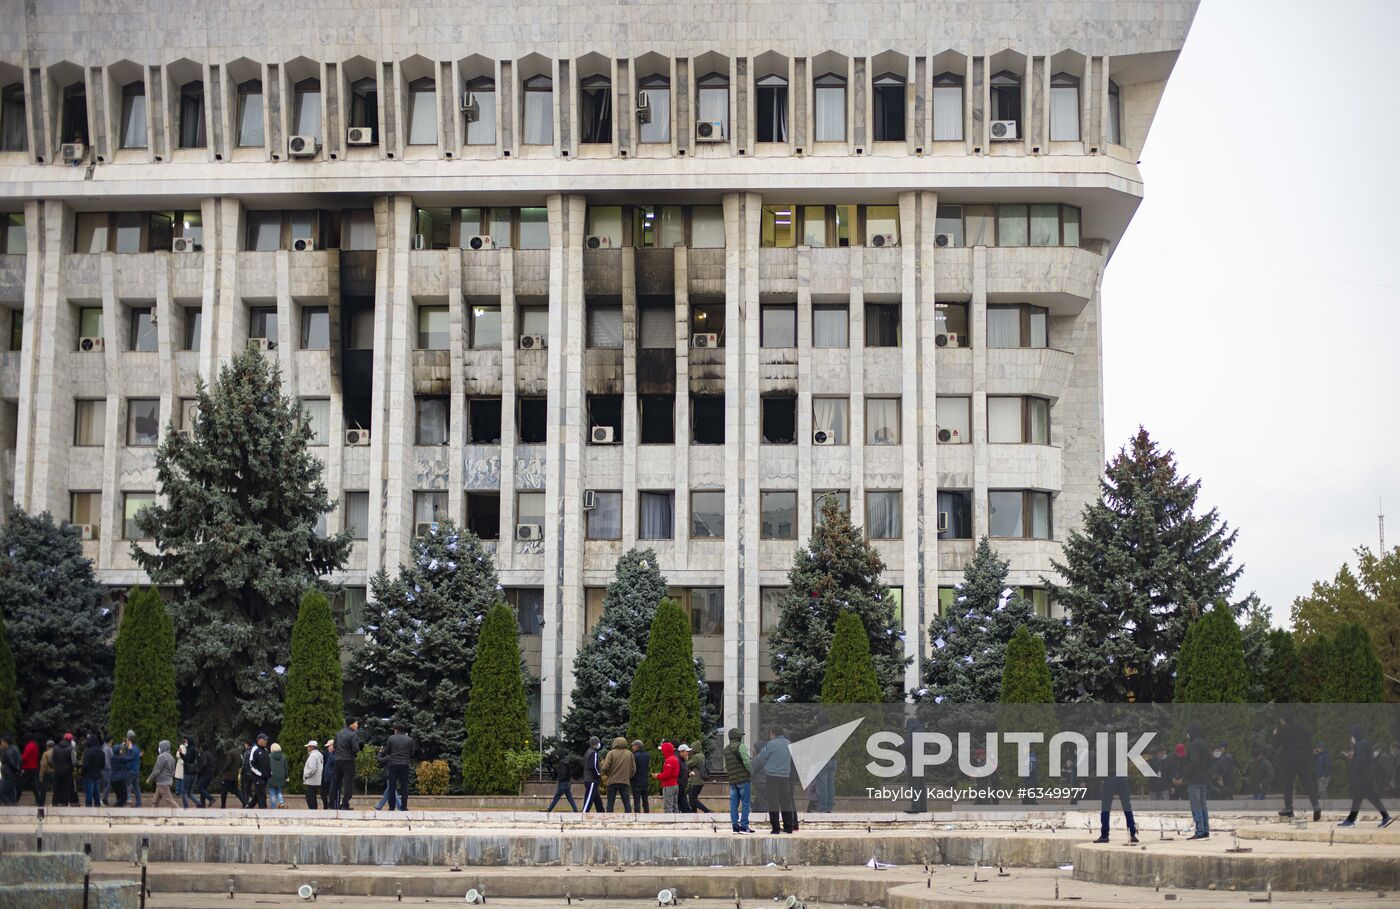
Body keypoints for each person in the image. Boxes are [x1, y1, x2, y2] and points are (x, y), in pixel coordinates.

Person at [1340, 725, 1393, 828]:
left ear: (1356, 734)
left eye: (1352, 735)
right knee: (1373, 799)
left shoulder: (1360, 745)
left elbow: (1360, 762)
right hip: (1368, 777)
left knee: (1357, 798)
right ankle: (1386, 816)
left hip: (1361, 778)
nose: (1351, 738)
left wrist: (1352, 764)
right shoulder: (1366, 743)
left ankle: (1350, 821)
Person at [1273, 714, 1322, 821]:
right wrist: (1308, 758)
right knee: (1307, 782)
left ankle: (1289, 808)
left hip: (1289, 760)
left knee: (1288, 784)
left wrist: (1276, 734)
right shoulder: (1303, 730)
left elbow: (1276, 745)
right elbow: (1310, 745)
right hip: (1303, 760)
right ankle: (1316, 805)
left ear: (1283, 720)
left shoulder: (1283, 730)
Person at [1092, 734, 1138, 845]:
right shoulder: (1121, 748)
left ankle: (1104, 835)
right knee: (1127, 806)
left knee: (1106, 808)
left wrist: (1100, 778)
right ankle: (1132, 834)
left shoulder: (1103, 749)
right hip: (1122, 779)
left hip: (1110, 779)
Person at [754, 728, 798, 834]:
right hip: (785, 777)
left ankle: (775, 828)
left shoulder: (771, 744)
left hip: (772, 776)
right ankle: (788, 827)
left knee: (773, 802)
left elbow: (761, 757)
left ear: (772, 733)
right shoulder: (789, 743)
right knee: (786, 801)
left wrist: (752, 767)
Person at [1184, 722, 1211, 839]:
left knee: (1196, 805)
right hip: (1203, 779)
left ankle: (1199, 830)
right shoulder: (1205, 744)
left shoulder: (1194, 745)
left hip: (1194, 780)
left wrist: (1185, 775)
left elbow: (1193, 762)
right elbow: (1210, 761)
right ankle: (1205, 829)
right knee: (1203, 805)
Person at [723, 728, 753, 834]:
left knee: (733, 804)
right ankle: (744, 826)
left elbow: (726, 766)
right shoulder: (741, 746)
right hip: (743, 780)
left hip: (732, 781)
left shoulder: (726, 749)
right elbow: (746, 761)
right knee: (745, 803)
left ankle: (735, 826)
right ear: (737, 736)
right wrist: (752, 772)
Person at [383, 724, 415, 812]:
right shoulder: (410, 739)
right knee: (404, 786)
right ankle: (404, 807)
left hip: (393, 764)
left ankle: (391, 807)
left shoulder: (391, 738)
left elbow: (386, 751)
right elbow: (412, 753)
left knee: (392, 786)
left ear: (396, 730)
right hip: (405, 764)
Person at [599, 736, 635, 813]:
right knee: (626, 803)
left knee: (610, 803)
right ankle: (628, 819)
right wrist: (628, 776)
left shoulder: (611, 753)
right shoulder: (629, 754)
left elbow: (605, 767)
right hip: (624, 781)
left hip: (612, 781)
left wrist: (605, 774)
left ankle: (609, 818)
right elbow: (633, 769)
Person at [332, 719, 360, 810]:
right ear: (350, 724)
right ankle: (345, 804)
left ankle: (332, 803)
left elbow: (335, 746)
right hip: (348, 761)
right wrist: (352, 753)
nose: (357, 725)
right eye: (355, 723)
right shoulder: (352, 735)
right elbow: (356, 749)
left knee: (335, 782)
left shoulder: (338, 733)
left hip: (338, 760)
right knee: (348, 783)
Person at [147, 740, 180, 809]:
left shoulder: (161, 756)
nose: (159, 748)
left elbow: (157, 770)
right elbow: (173, 771)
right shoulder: (171, 757)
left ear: (163, 747)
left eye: (160, 746)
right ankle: (153, 813)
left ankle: (180, 813)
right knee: (155, 801)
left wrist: (149, 778)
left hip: (162, 782)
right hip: (166, 781)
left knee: (169, 800)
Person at [654, 741, 682, 813]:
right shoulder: (675, 758)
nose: (662, 752)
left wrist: (657, 776)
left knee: (668, 806)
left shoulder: (669, 760)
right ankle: (677, 822)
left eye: (663, 750)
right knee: (675, 806)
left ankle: (669, 823)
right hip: (675, 785)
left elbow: (666, 774)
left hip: (669, 786)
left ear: (666, 750)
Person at [51, 733, 76, 807]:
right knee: (65, 787)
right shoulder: (71, 749)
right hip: (67, 771)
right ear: (70, 740)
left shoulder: (55, 748)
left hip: (57, 770)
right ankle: (64, 803)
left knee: (56, 787)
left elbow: (51, 760)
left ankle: (54, 802)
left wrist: (55, 766)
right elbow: (74, 762)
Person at [685, 741, 710, 813]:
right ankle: (694, 813)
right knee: (693, 798)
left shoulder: (696, 757)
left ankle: (706, 810)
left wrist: (686, 758)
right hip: (701, 780)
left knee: (692, 798)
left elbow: (687, 764)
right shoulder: (702, 755)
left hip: (696, 781)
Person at [81, 734, 105, 807]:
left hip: (89, 775)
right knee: (96, 794)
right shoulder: (101, 752)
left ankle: (88, 809)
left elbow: (85, 765)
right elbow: (103, 765)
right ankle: (97, 807)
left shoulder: (88, 752)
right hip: (97, 775)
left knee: (89, 794)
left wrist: (82, 773)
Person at [219, 740, 245, 808]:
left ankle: (223, 805)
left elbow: (228, 763)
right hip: (234, 775)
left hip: (228, 776)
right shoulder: (237, 752)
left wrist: (223, 770)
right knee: (236, 790)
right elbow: (241, 763)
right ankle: (245, 802)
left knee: (223, 791)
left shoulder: (230, 752)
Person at [581, 737, 604, 813]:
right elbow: (593, 766)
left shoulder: (588, 752)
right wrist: (598, 775)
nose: (599, 745)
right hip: (592, 780)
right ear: (595, 745)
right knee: (589, 798)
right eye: (598, 743)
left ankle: (601, 813)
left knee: (597, 800)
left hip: (588, 779)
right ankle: (583, 814)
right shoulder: (593, 753)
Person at [248, 733, 271, 808]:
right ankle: (263, 811)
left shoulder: (265, 750)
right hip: (257, 777)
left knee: (258, 795)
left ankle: (249, 808)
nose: (266, 741)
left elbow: (267, 763)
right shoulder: (255, 749)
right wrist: (259, 774)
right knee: (262, 795)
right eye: (264, 739)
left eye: (266, 739)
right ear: (259, 740)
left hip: (265, 777)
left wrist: (269, 772)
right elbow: (251, 764)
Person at [193, 738, 215, 808]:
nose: (200, 749)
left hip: (205, 773)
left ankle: (211, 798)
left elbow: (204, 764)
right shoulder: (209, 753)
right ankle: (202, 804)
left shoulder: (204, 754)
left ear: (202, 748)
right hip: (210, 773)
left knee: (200, 787)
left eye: (200, 747)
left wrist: (199, 770)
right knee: (203, 788)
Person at [629, 741, 651, 813]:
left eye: (633, 746)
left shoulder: (634, 756)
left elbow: (632, 768)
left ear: (636, 746)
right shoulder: (647, 755)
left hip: (636, 781)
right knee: (645, 801)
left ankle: (637, 815)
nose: (632, 748)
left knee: (637, 801)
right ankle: (647, 814)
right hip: (645, 781)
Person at [123, 732, 142, 808]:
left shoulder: (132, 749)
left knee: (124, 786)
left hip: (131, 771)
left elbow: (129, 759)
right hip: (136, 770)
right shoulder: (136, 748)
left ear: (129, 740)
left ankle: (122, 801)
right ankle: (138, 803)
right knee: (136, 787)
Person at [0, 735, 21, 805]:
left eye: (2, 742)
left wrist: (18, 770)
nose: (1, 744)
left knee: (2, 792)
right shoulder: (15, 749)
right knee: (12, 791)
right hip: (12, 774)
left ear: (6, 743)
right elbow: (18, 760)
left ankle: (10, 805)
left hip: (8, 774)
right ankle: (13, 805)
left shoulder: (7, 752)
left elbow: (12, 763)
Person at [303, 740, 324, 809]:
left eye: (308, 747)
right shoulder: (319, 755)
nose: (307, 748)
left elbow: (312, 769)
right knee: (313, 797)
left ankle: (312, 811)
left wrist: (306, 775)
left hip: (311, 781)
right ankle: (314, 810)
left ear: (311, 747)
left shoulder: (313, 756)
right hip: (316, 780)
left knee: (310, 798)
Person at [20, 738, 40, 806]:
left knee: (21, 784)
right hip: (34, 767)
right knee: (34, 785)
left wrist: (20, 757)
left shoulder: (28, 746)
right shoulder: (35, 745)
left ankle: (15, 799)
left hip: (28, 767)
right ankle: (38, 799)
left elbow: (25, 757)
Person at [268, 742, 287, 809]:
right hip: (281, 777)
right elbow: (285, 768)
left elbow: (267, 767)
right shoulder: (283, 757)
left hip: (271, 777)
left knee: (272, 793)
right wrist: (286, 777)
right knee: (279, 791)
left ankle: (273, 807)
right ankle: (281, 802)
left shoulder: (269, 756)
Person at [37, 739, 55, 807]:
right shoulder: (57, 752)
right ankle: (54, 803)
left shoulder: (45, 754)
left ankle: (41, 804)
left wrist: (41, 775)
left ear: (47, 746)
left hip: (48, 773)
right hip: (56, 773)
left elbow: (43, 765)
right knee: (55, 790)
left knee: (43, 790)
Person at [322, 741, 337, 809]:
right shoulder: (324, 753)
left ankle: (333, 805)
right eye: (328, 746)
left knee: (333, 792)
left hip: (333, 776)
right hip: (325, 776)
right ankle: (326, 805)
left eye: (329, 746)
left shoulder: (335, 754)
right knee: (324, 792)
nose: (328, 747)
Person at [100, 737, 115, 806]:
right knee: (110, 783)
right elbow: (106, 760)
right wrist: (109, 768)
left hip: (106, 768)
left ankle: (105, 799)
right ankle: (103, 799)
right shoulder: (107, 748)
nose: (112, 744)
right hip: (107, 769)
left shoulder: (106, 747)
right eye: (112, 742)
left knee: (107, 784)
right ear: (110, 741)